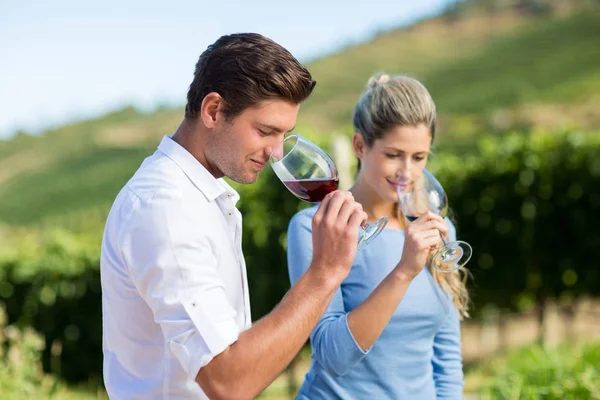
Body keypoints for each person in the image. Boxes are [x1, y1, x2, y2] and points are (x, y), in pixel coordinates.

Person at [100, 32, 368, 400]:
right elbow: (229, 382)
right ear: (213, 111)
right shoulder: (164, 207)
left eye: (285, 134)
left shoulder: (202, 198)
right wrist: (325, 273)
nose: (277, 152)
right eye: (265, 131)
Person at [287, 72, 470, 399]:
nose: (407, 172)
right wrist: (403, 273)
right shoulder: (314, 227)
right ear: (360, 145)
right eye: (393, 155)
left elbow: (447, 356)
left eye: (419, 158)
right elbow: (333, 357)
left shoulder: (436, 229)